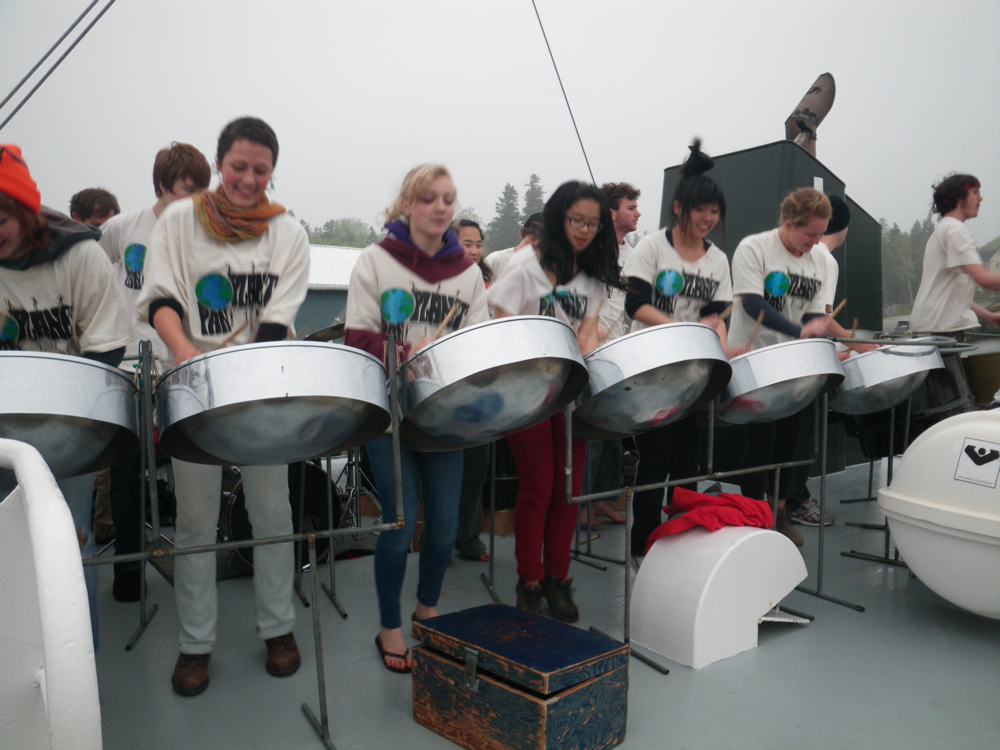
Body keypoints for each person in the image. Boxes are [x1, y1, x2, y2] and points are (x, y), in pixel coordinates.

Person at [137, 117, 310, 696]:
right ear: (219, 164)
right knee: (194, 522)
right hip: (193, 388)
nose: (248, 179)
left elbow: (276, 320)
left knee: (273, 512)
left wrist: (243, 378)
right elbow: (161, 299)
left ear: (272, 171)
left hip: (261, 390)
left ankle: (278, 628)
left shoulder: (287, 232)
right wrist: (187, 354)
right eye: (239, 167)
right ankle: (194, 644)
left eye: (261, 170)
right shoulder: (180, 222)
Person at [343, 165, 489, 673]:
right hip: (390, 416)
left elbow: (478, 345)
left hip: (445, 418)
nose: (441, 207)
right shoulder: (376, 260)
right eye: (429, 198)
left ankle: (427, 608)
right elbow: (357, 337)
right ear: (407, 205)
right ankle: (389, 625)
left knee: (444, 527)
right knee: (400, 524)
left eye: (448, 198)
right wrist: (404, 350)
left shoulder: (468, 275)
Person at [0, 144, 132, 647]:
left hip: (69, 426)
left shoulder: (80, 256)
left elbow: (106, 346)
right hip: (6, 424)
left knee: (70, 540)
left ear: (24, 211)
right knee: (9, 547)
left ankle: (79, 663)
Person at [487, 180, 624, 621]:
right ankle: (529, 581)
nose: (584, 229)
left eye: (592, 223)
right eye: (575, 220)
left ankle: (557, 580)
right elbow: (502, 320)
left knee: (568, 490)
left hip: (570, 389)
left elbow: (588, 331)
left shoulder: (593, 272)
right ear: (558, 218)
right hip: (526, 388)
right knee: (538, 487)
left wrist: (582, 354)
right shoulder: (525, 264)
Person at [97, 142, 212, 602]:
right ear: (163, 184)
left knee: (190, 460)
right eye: (188, 188)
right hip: (130, 361)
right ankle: (128, 573)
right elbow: (89, 272)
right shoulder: (122, 228)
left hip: (180, 362)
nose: (196, 198)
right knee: (126, 471)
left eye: (202, 190)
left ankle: (194, 561)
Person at [623, 141, 732, 564]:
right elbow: (636, 305)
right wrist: (681, 330)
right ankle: (643, 547)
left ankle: (679, 543)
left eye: (714, 211)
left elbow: (715, 315)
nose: (707, 218)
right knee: (654, 464)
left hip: (693, 375)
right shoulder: (652, 247)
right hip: (652, 370)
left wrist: (720, 345)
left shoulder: (717, 259)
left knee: (687, 465)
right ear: (678, 208)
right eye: (699, 209)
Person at [728, 187, 831, 547]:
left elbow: (815, 310)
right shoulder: (754, 248)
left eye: (821, 234)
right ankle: (753, 515)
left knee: (789, 444)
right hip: (756, 360)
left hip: (793, 363)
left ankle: (780, 512)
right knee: (761, 443)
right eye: (810, 234)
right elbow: (751, 302)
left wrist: (816, 328)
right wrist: (798, 330)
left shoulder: (818, 259)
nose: (816, 242)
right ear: (789, 224)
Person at [578, 182, 642, 528]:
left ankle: (603, 498)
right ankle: (581, 505)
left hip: (618, 349)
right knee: (591, 431)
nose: (638, 213)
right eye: (631, 207)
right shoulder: (589, 249)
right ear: (612, 213)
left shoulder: (633, 253)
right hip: (587, 348)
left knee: (616, 428)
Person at [910, 175, 1000, 336]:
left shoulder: (943, 230)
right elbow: (983, 279)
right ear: (958, 196)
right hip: (940, 332)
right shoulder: (955, 229)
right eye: (975, 192)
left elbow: (953, 295)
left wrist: (990, 317)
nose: (980, 198)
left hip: (932, 328)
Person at [453, 218, 492, 562]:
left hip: (477, 384)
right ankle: (439, 537)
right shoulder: (436, 282)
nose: (475, 250)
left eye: (478, 244)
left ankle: (469, 538)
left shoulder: (485, 282)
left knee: (476, 466)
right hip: (445, 383)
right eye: (467, 243)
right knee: (444, 469)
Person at [483, 213, 543, 281]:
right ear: (522, 234)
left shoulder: (544, 271)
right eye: (532, 238)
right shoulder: (496, 260)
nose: (536, 244)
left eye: (542, 242)